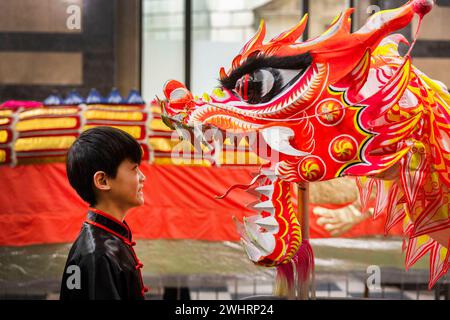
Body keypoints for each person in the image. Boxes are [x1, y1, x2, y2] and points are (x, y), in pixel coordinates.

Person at [60, 126, 148, 300]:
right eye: (134, 169)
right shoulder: (97, 254)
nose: (142, 177)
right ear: (102, 180)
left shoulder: (103, 241)